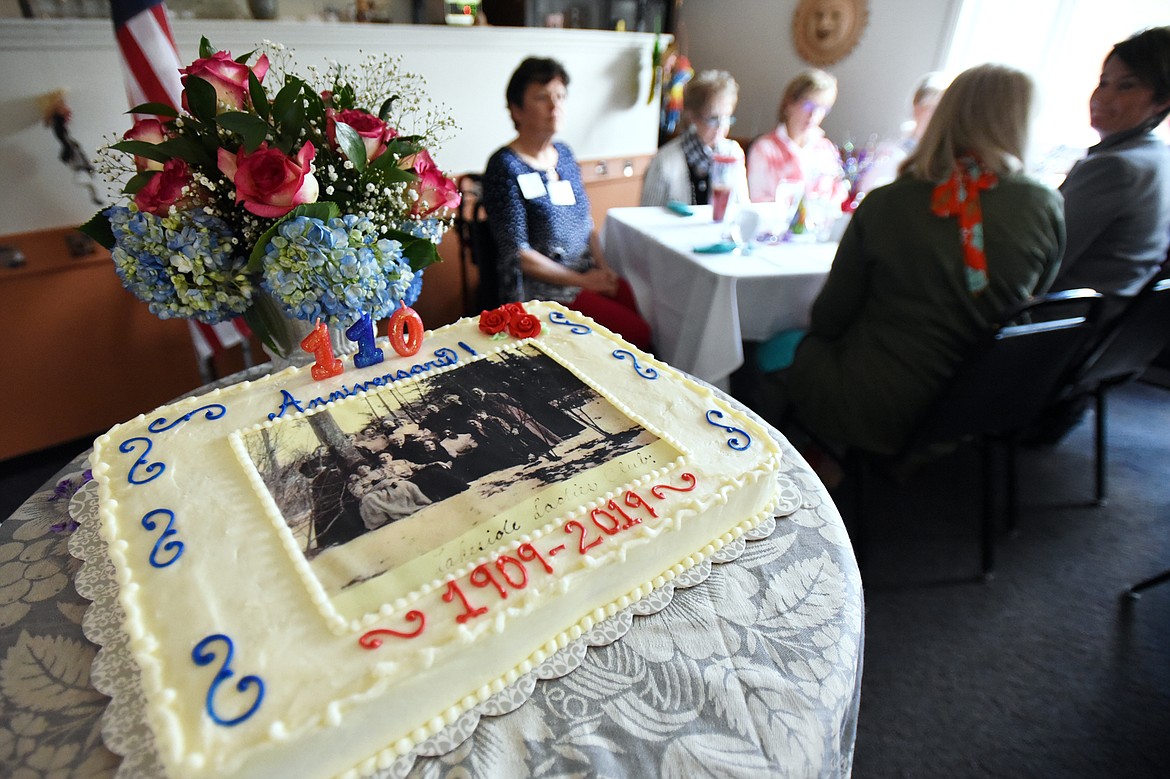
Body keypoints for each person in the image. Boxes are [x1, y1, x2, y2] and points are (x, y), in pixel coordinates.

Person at [776, 64, 1065, 459]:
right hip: (978, 401)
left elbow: (830, 317)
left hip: (880, 400)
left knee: (792, 353)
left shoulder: (889, 203)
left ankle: (810, 462)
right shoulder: (1044, 204)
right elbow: (1035, 297)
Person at [482, 57, 652, 351]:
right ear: (516, 109)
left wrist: (604, 269)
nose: (554, 105)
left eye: (560, 96)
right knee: (635, 335)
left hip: (584, 274)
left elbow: (586, 224)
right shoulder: (505, 166)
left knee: (637, 306)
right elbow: (518, 254)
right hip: (544, 290)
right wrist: (586, 282)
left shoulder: (565, 154)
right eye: (542, 97)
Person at [1051, 26, 1170, 307]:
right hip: (1108, 327)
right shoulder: (1157, 155)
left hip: (1059, 325)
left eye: (1125, 86)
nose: (1101, 98)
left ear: (1162, 101)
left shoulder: (1116, 167)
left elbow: (1043, 258)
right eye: (1103, 82)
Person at [640, 69, 749, 208]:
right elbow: (647, 217)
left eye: (727, 117)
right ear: (692, 117)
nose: (721, 126)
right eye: (713, 118)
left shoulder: (733, 153)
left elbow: (743, 208)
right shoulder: (665, 161)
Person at [747, 68, 848, 207]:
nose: (813, 115)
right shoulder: (764, 148)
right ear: (789, 104)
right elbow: (759, 201)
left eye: (822, 109)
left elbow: (838, 195)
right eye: (808, 105)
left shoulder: (826, 149)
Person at [854, 72, 948, 197]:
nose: (937, 118)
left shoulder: (941, 155)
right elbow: (868, 190)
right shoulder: (891, 151)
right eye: (932, 109)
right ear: (917, 107)